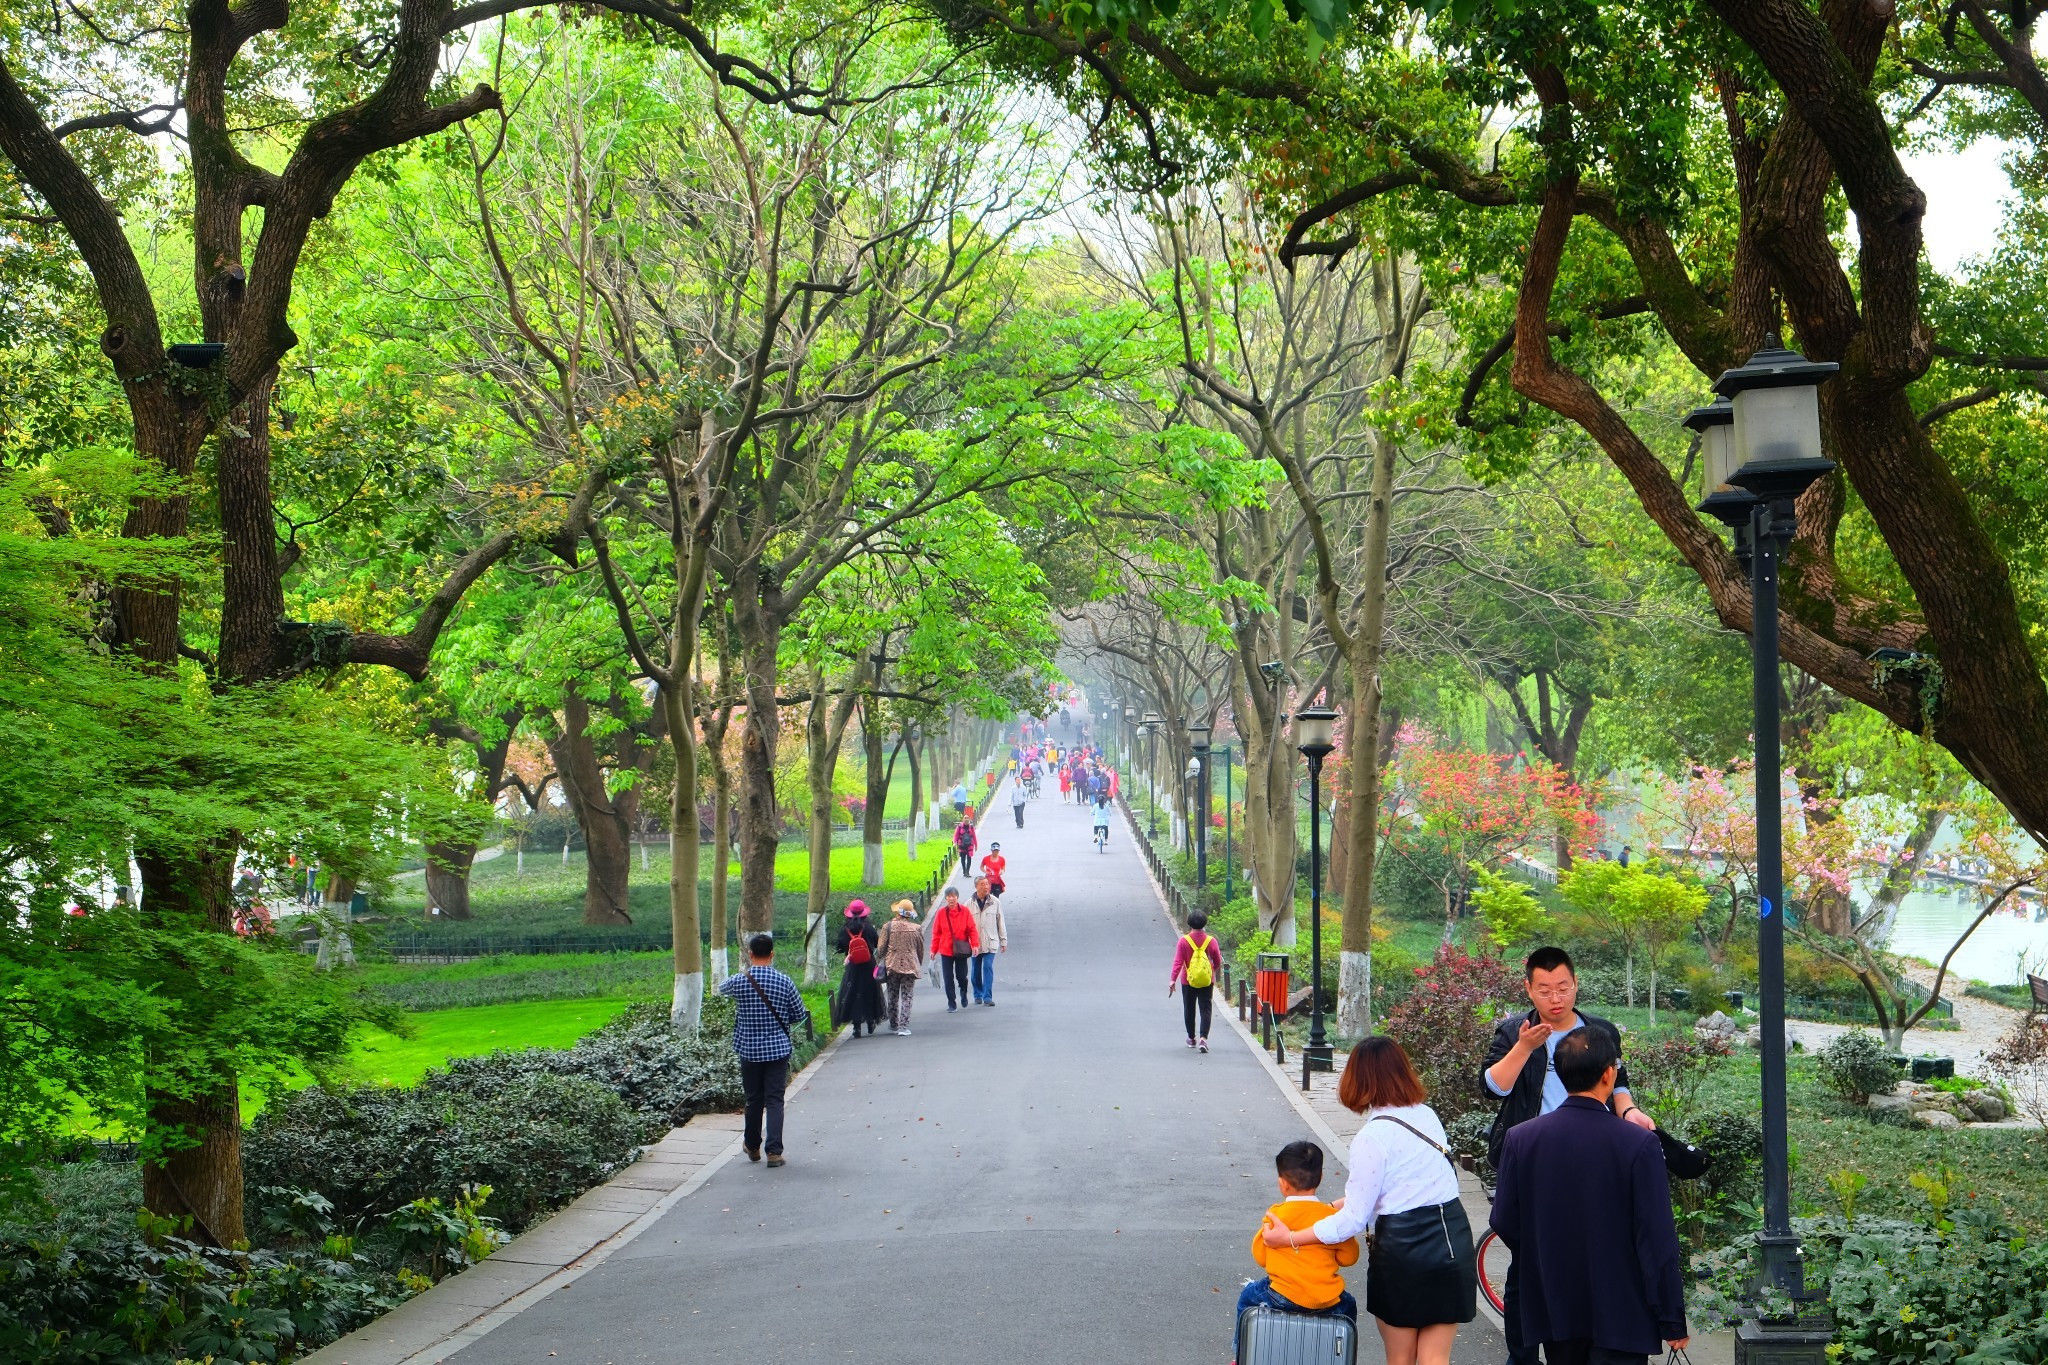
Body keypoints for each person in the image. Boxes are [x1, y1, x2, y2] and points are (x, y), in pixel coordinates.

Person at [1481, 946, 1653, 1365]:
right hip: (1534, 1161)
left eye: (1563, 988)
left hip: (1592, 1161)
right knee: (1526, 1263)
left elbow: (1617, 1080)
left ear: (1576, 984)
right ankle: (1522, 1357)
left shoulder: (1600, 1030)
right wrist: (1522, 1047)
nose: (1555, 998)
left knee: (1589, 1254)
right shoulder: (1512, 1030)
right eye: (1544, 990)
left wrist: (1628, 1110)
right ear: (1528, 989)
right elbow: (1492, 1089)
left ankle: (1581, 1343)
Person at [1264, 1037, 1475, 1365]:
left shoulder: (1371, 1137)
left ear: (1359, 1079)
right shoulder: (1427, 1116)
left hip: (1404, 1253)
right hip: (1451, 1243)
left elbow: (1352, 1221)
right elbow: (1407, 1183)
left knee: (1400, 1358)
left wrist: (1290, 1238)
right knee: (1436, 1358)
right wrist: (1337, 1205)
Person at [1489, 1029, 1688, 1365]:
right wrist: (1671, 1318)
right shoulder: (1637, 1144)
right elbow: (1657, 1239)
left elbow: (1505, 1221)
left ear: (1562, 1072)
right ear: (1609, 1074)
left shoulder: (1522, 1138)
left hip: (1556, 1305)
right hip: (1624, 1308)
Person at [1237, 1140, 1359, 1351]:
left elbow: (1260, 1256)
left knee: (1247, 1297)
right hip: (1328, 1302)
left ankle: (1241, 1354)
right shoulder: (1332, 1219)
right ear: (1320, 1178)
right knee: (1349, 1305)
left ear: (1282, 1184)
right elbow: (1350, 1258)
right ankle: (1340, 1353)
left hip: (1280, 1297)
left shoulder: (1275, 1216)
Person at [715, 934, 811, 1167]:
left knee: (753, 1099)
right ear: (772, 954)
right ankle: (774, 1152)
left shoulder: (740, 980)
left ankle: (752, 1145)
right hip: (777, 1050)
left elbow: (720, 988)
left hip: (749, 1050)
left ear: (750, 954)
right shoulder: (784, 981)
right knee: (775, 1100)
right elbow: (799, 1014)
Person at [1168, 910, 1223, 1052]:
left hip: (1188, 980)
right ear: (1205, 923)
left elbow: (1178, 962)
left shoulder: (1184, 941)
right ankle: (1203, 1039)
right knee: (1205, 1008)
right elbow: (1217, 961)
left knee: (1189, 1008)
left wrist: (1172, 980)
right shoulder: (1211, 941)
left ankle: (1191, 1038)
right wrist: (1210, 972)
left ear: (1189, 923)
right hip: (1206, 980)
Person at [832, 900, 886, 1038]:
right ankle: (870, 1022)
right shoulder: (868, 928)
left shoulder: (845, 929)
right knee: (870, 992)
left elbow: (840, 945)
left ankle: (856, 1027)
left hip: (853, 966)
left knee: (853, 993)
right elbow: (876, 943)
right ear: (864, 914)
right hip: (868, 965)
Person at [929, 886, 980, 1012]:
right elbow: (936, 933)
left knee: (961, 976)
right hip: (946, 950)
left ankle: (963, 991)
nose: (951, 899)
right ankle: (951, 1003)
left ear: (957, 897)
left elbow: (972, 929)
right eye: (949, 896)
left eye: (953, 896)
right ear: (946, 898)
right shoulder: (941, 913)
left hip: (961, 949)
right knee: (948, 978)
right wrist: (933, 950)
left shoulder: (965, 911)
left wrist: (975, 945)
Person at [879, 899, 924, 1036]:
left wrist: (882, 958)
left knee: (892, 995)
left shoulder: (888, 927)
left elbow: (881, 949)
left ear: (898, 912)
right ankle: (903, 1026)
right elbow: (920, 949)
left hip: (892, 965)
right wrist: (918, 963)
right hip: (910, 965)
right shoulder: (916, 928)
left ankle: (894, 1024)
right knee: (907, 996)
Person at [968, 875, 1007, 1006]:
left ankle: (987, 996)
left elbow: (1000, 922)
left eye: (987, 884)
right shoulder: (968, 904)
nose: (986, 887)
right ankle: (977, 994)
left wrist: (1003, 941)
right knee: (975, 969)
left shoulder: (995, 902)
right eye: (982, 884)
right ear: (976, 886)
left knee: (987, 967)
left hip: (991, 941)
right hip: (974, 943)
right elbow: (964, 925)